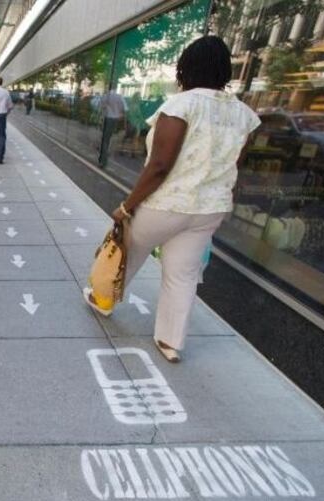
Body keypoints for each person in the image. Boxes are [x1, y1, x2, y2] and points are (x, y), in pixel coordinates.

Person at [83, 36, 260, 363]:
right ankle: (170, 342)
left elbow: (160, 165)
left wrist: (126, 206)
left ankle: (102, 299)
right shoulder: (244, 115)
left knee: (125, 250)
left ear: (185, 67)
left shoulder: (181, 105)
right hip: (209, 208)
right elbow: (234, 161)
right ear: (224, 70)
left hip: (167, 203)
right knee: (183, 273)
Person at [99, 84, 127, 167]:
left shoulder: (106, 96)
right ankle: (108, 153)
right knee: (111, 138)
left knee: (105, 139)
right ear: (115, 88)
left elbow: (101, 107)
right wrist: (119, 114)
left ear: (108, 87)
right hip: (116, 120)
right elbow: (125, 109)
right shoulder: (120, 97)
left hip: (108, 119)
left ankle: (103, 160)